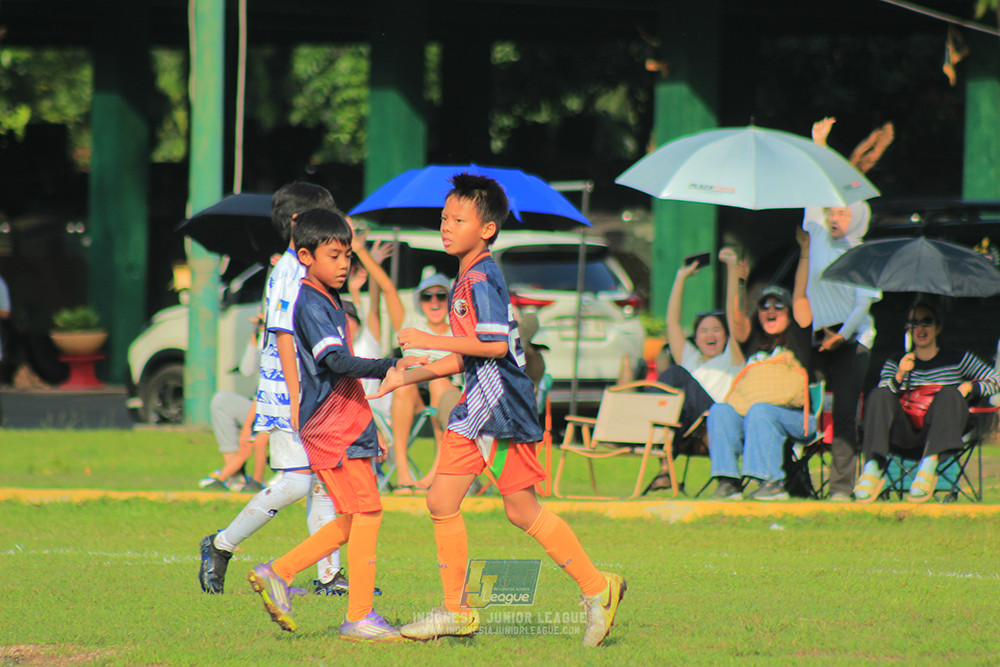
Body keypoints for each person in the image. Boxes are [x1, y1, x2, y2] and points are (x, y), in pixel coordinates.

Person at [370, 173, 625, 648]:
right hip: (476, 410)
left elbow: (489, 346)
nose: (446, 226)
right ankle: (458, 612)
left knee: (522, 510)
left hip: (501, 413)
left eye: (458, 219)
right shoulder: (467, 276)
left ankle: (598, 588)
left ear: (486, 228)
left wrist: (429, 339)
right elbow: (470, 354)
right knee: (442, 502)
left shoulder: (481, 278)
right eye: (444, 218)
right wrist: (408, 374)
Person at [245, 207, 414, 641]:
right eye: (335, 256)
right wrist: (390, 365)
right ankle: (359, 617)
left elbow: (340, 373)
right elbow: (334, 360)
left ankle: (278, 572)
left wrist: (366, 421)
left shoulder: (330, 298)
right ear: (306, 256)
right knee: (369, 513)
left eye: (347, 256)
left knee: (355, 516)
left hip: (344, 419)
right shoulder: (312, 303)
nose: (344, 265)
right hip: (330, 424)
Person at [199, 182, 345, 597]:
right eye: (324, 216)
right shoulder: (288, 273)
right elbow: (281, 335)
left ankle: (330, 576)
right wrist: (296, 397)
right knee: (299, 482)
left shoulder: (308, 268)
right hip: (290, 394)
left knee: (321, 481)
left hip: (312, 391)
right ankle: (221, 544)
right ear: (299, 224)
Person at [806, 116, 884, 501]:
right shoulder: (818, 234)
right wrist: (818, 146)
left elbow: (862, 304)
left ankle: (841, 487)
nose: (836, 217)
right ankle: (793, 480)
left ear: (858, 217)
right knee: (801, 406)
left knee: (844, 413)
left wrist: (841, 337)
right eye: (832, 211)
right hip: (821, 334)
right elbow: (813, 193)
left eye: (844, 212)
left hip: (853, 338)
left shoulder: (862, 254)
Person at [852, 301, 999, 503]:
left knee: (948, 394)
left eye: (926, 322)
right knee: (879, 394)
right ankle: (872, 468)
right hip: (903, 433)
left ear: (937, 328)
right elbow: (884, 391)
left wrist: (968, 387)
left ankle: (929, 467)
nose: (919, 328)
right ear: (907, 330)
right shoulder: (897, 361)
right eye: (913, 323)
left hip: (943, 431)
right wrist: (901, 373)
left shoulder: (958, 359)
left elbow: (996, 380)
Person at [706, 240, 814, 501]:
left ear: (789, 313)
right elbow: (735, 316)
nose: (770, 311)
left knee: (760, 410)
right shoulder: (755, 341)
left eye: (778, 306)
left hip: (797, 417)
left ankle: (772, 483)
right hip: (754, 415)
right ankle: (729, 481)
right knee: (720, 411)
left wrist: (806, 253)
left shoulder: (798, 336)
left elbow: (800, 294)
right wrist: (737, 277)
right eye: (765, 306)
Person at [644, 249, 745, 492]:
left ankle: (660, 457)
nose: (710, 335)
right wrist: (681, 277)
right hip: (685, 424)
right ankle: (665, 469)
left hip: (715, 419)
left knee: (676, 374)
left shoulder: (732, 358)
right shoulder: (692, 357)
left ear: (727, 335)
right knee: (675, 380)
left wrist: (732, 268)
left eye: (716, 330)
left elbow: (733, 316)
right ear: (696, 339)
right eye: (704, 331)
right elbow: (672, 322)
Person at [388, 271, 462, 492]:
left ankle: (437, 469)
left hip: (452, 400)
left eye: (441, 295)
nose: (434, 301)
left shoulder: (458, 329)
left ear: (450, 300)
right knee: (403, 385)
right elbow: (388, 289)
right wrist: (361, 252)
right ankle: (402, 471)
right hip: (416, 399)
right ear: (419, 302)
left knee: (438, 382)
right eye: (427, 296)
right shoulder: (410, 325)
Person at [200, 313, 269, 493]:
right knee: (221, 401)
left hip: (287, 411)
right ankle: (234, 475)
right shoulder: (268, 338)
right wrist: (258, 334)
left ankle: (255, 479)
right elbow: (247, 369)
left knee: (260, 437)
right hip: (260, 405)